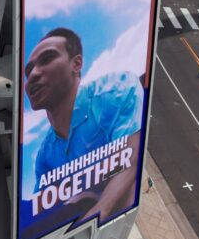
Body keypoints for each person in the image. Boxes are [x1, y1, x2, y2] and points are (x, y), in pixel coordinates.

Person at [24, 27, 143, 223]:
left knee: (129, 188)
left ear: (76, 63)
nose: (34, 74)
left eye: (46, 59)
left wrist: (93, 218)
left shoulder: (118, 91)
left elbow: (131, 161)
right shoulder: (45, 155)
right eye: (28, 72)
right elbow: (41, 209)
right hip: (78, 221)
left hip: (112, 221)